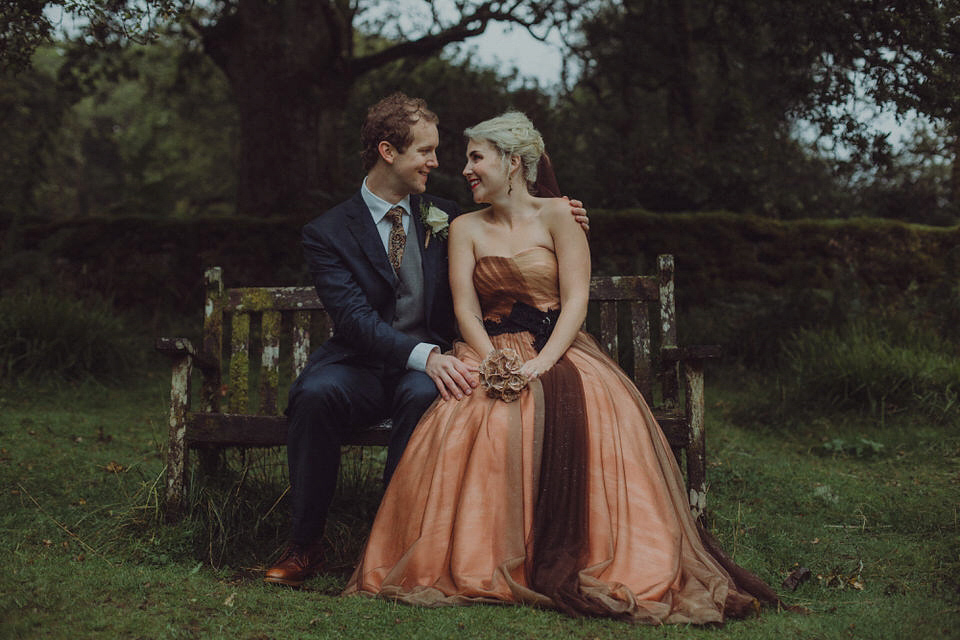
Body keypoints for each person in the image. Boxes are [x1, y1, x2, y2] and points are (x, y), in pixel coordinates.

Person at [344, 112, 782, 624]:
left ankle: (602, 552)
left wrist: (544, 363)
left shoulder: (562, 217)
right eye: (466, 158)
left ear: (512, 163)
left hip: (561, 347)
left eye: (476, 157)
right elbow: (464, 308)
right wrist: (492, 361)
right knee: (472, 416)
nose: (464, 169)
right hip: (490, 347)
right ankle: (474, 557)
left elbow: (576, 301)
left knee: (584, 414)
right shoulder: (462, 227)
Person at [264, 95, 587, 587]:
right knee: (313, 395)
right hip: (360, 364)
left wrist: (567, 214)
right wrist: (425, 357)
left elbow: (513, 221)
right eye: (427, 151)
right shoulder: (326, 232)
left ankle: (390, 543)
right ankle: (305, 544)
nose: (439, 164)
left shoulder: (446, 214)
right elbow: (352, 319)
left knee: (430, 396)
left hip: (432, 369)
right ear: (388, 151)